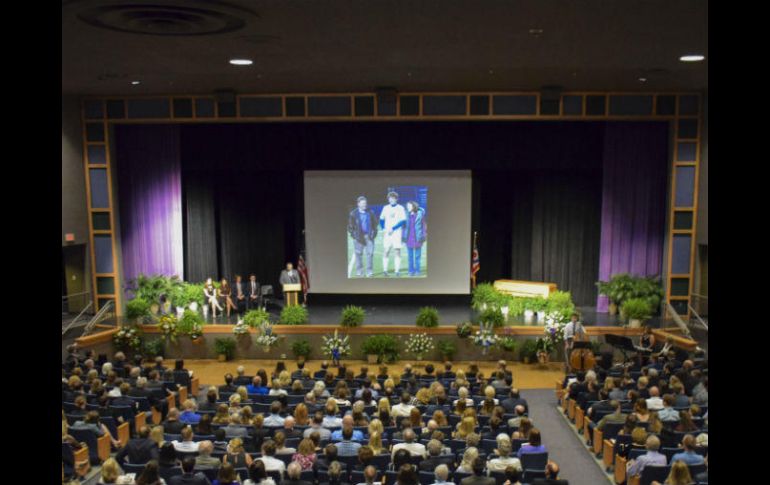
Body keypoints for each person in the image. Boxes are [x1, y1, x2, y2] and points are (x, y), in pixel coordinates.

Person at [348, 195, 379, 278]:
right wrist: (355, 236)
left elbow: (375, 225)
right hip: (359, 238)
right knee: (358, 254)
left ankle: (369, 272)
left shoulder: (370, 212)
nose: (364, 205)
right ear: (358, 204)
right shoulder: (353, 214)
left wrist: (374, 234)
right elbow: (350, 227)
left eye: (365, 203)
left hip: (369, 237)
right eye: (362, 203)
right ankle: (359, 272)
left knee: (370, 254)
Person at [379, 191, 407, 277]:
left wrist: (393, 228)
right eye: (390, 198)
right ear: (388, 199)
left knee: (397, 251)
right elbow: (381, 219)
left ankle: (397, 271)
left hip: (397, 233)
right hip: (388, 233)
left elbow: (403, 221)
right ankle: (385, 270)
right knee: (386, 250)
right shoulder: (385, 208)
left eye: (393, 198)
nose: (391, 200)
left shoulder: (400, 208)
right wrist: (384, 228)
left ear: (396, 199)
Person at [402, 200, 427, 277]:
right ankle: (411, 271)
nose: (407, 207)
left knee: (417, 257)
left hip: (418, 238)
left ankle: (417, 271)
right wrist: (403, 237)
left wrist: (423, 236)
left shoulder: (420, 214)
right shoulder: (406, 215)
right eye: (407, 206)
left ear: (413, 206)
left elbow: (423, 226)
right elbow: (404, 227)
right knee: (410, 257)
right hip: (409, 238)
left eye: (409, 206)